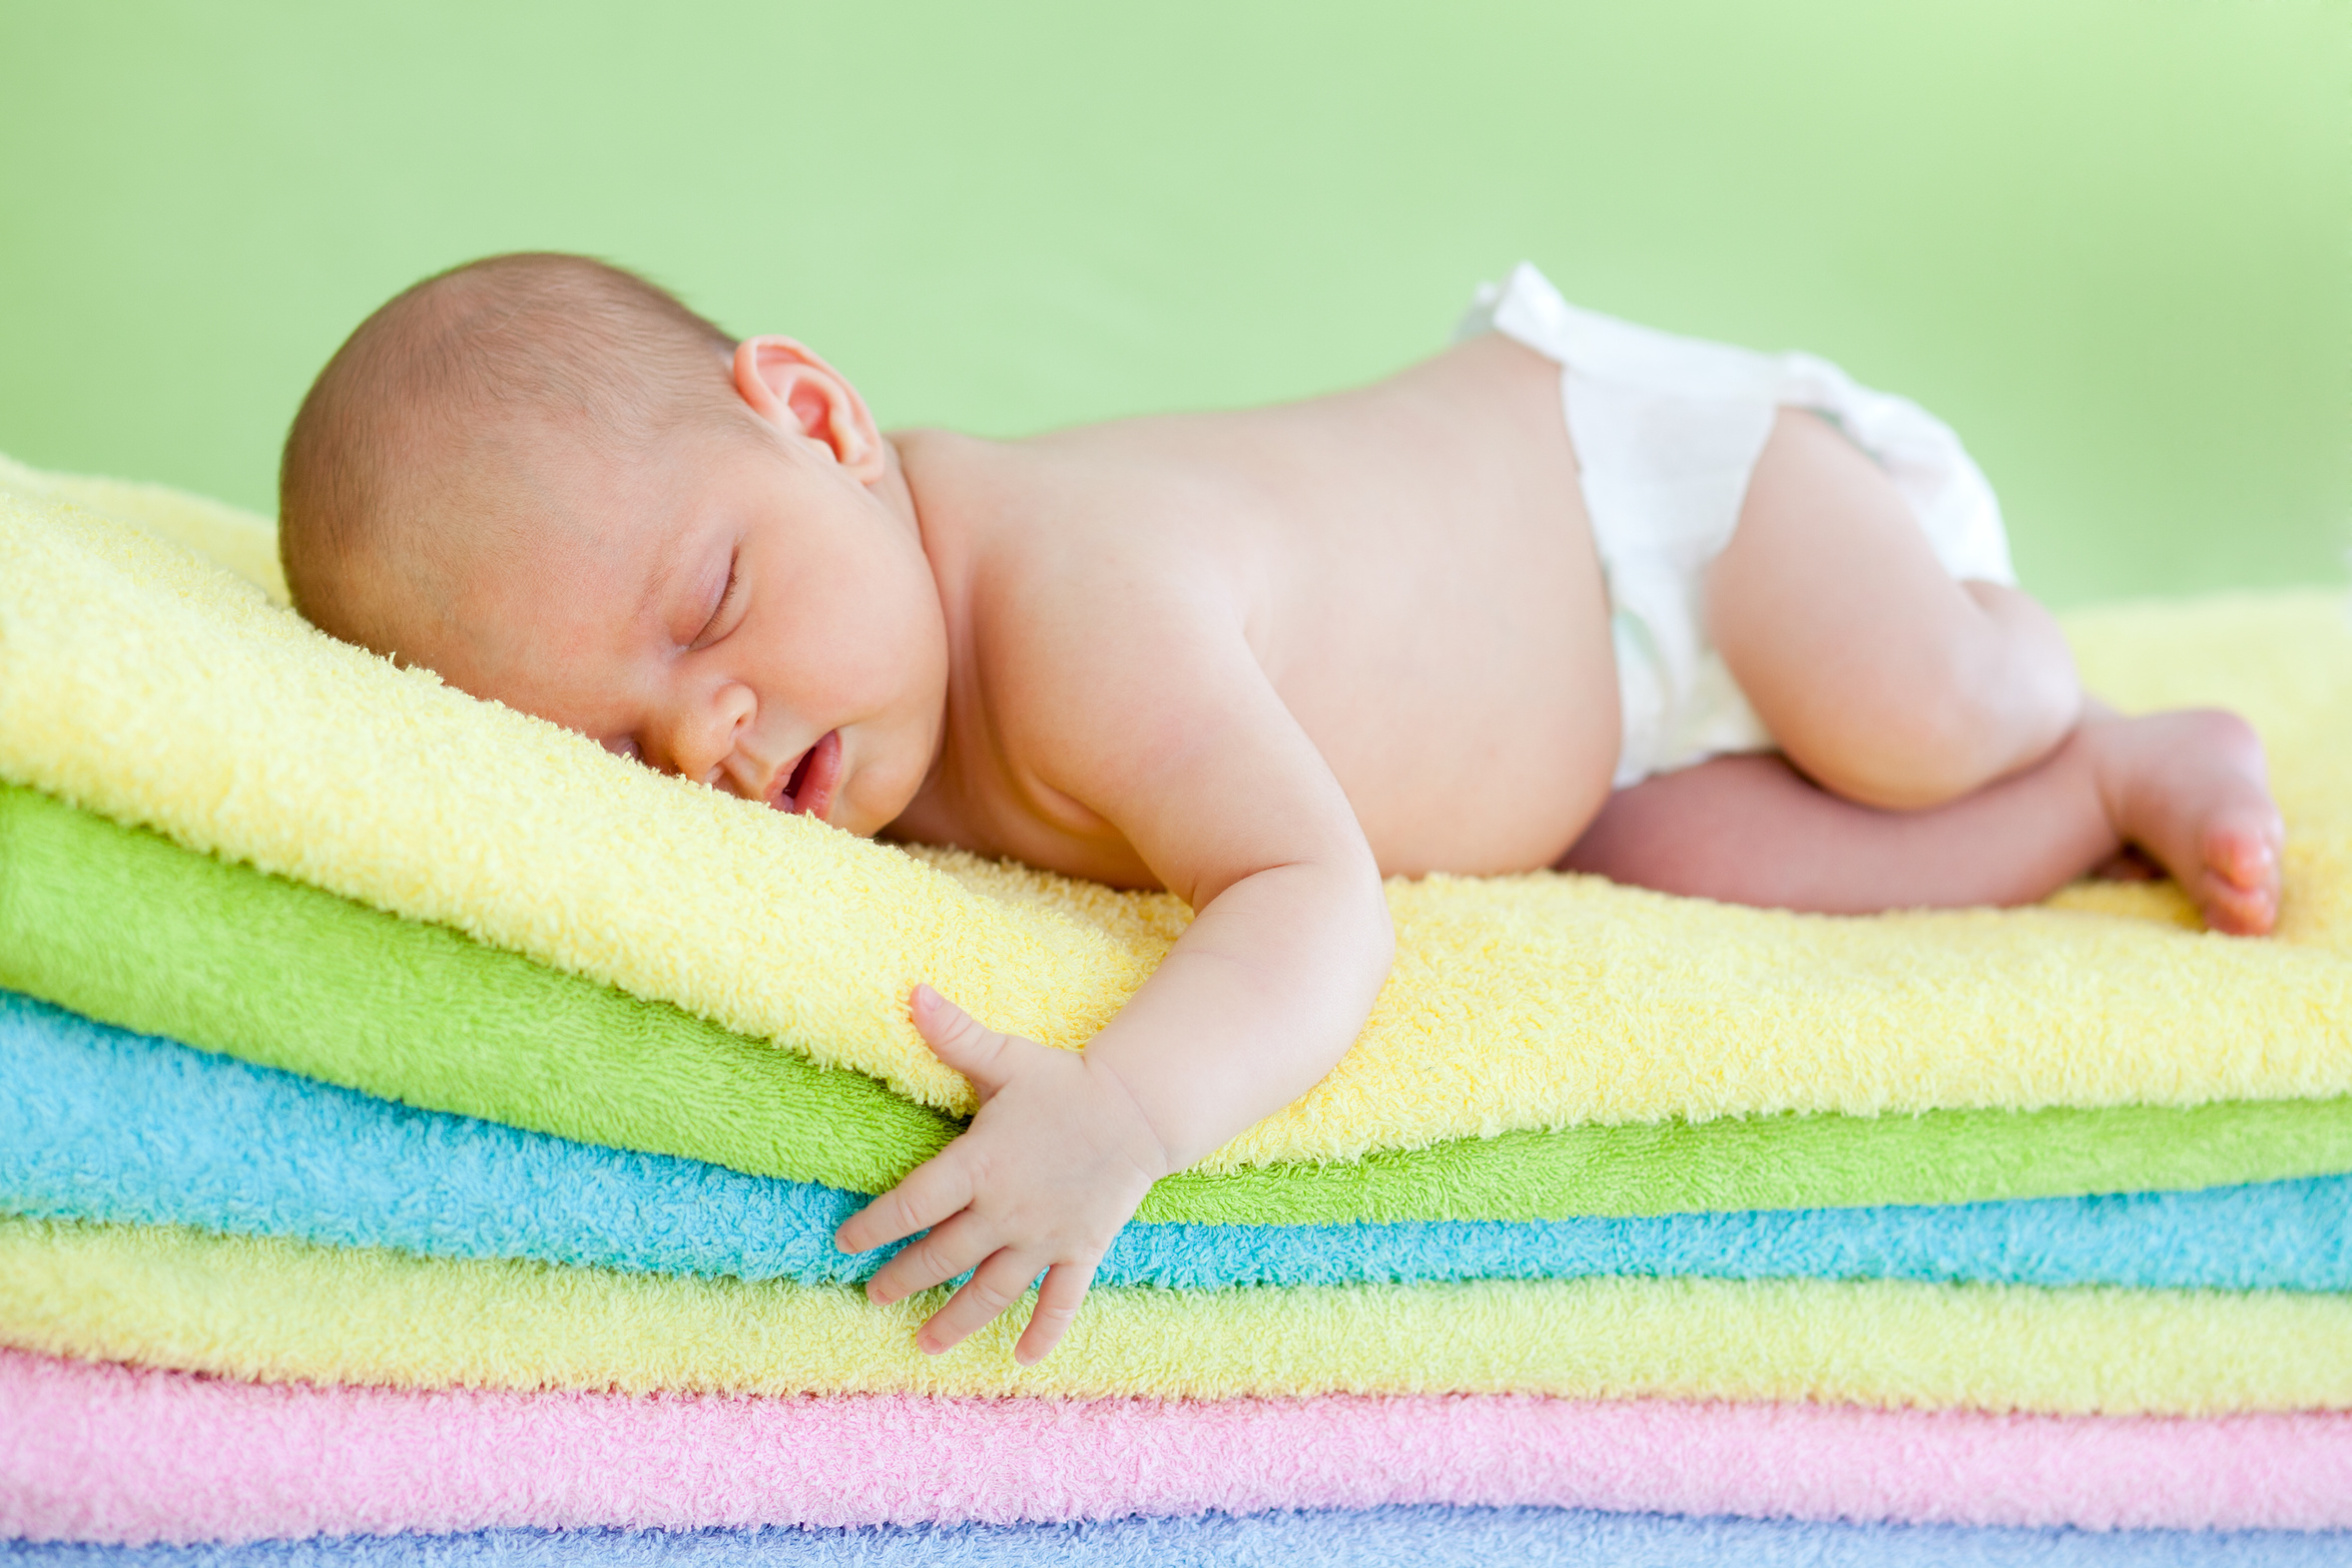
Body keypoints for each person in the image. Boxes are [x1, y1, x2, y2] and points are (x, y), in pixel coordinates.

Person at [276, 253, 2284, 1364]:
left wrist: (1125, 1115)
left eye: (708, 608)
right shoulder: (852, 707)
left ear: (818, 422)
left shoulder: (1068, 607)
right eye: (618, 756)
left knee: (1927, 712)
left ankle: (2044, 682)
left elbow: (1313, 896)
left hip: (1665, 510)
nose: (709, 733)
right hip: (1586, 764)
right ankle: (2118, 777)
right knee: (1713, 871)